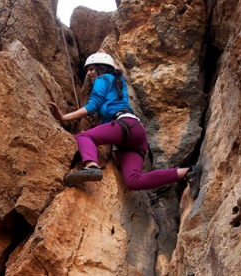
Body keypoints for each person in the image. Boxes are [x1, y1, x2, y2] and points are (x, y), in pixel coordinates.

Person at [49, 52, 202, 198]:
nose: (88, 74)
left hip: (124, 126)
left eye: (90, 69)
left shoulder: (102, 79)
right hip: (136, 132)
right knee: (133, 181)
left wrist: (64, 117)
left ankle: (91, 167)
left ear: (100, 68)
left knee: (84, 136)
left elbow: (92, 105)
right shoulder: (118, 81)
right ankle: (189, 171)